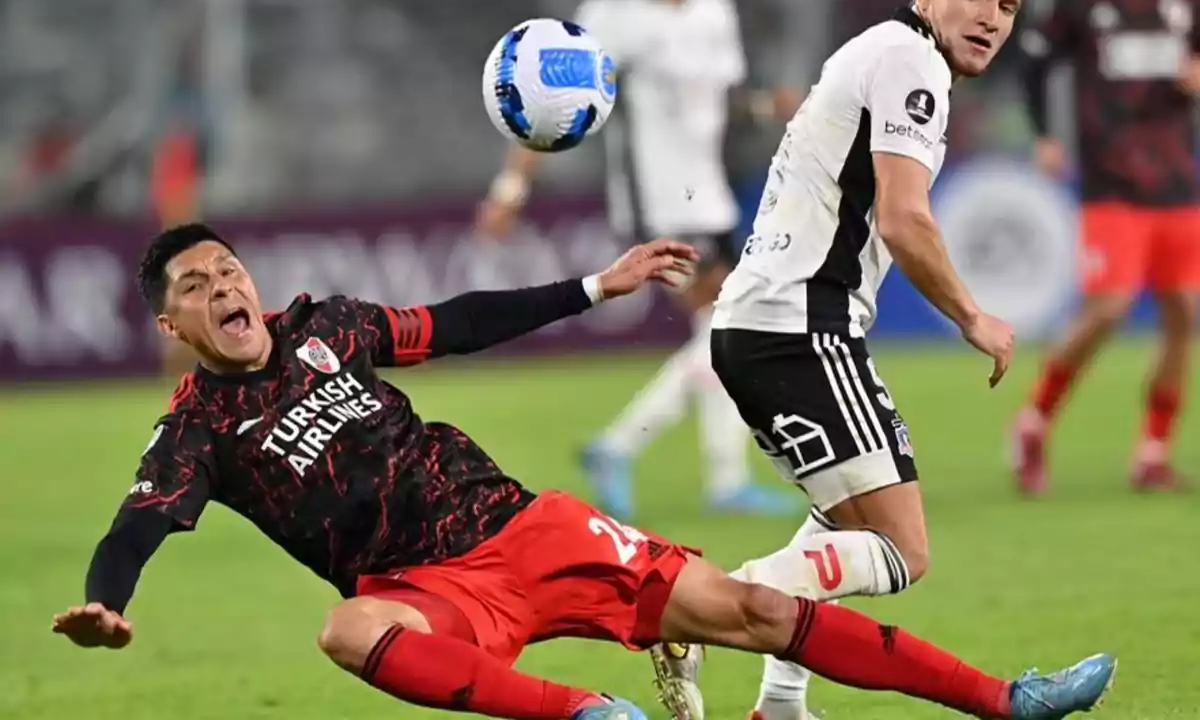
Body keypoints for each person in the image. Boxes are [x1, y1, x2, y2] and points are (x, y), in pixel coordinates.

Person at [51, 222, 1114, 720]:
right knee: (346, 632)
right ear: (173, 322)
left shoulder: (328, 322)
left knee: (741, 606)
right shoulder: (195, 429)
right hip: (421, 592)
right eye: (200, 285)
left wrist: (597, 286)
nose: (226, 286)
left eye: (230, 267)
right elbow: (138, 522)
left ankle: (1003, 697)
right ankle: (591, 714)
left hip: (526, 526)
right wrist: (106, 598)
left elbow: (460, 322)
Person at [651, 0, 1033, 718]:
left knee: (838, 518)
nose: (991, 16)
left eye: (1006, 2)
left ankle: (781, 704)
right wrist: (972, 315)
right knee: (902, 551)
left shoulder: (884, 50)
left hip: (765, 325)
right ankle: (701, 605)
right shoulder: (910, 59)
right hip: (801, 327)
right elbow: (904, 218)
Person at [477, 0, 801, 520]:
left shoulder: (713, 6)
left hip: (711, 196)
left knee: (722, 330)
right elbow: (549, 104)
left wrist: (767, 108)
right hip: (657, 203)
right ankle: (627, 448)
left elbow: (725, 102)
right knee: (735, 325)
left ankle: (708, 475)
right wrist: (512, 184)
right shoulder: (609, 14)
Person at [1012, 0, 1200, 493]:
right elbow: (1035, 62)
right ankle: (1034, 421)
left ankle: (1152, 452)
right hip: (1111, 179)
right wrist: (1045, 134)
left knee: (1184, 314)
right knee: (1110, 307)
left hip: (1176, 178)